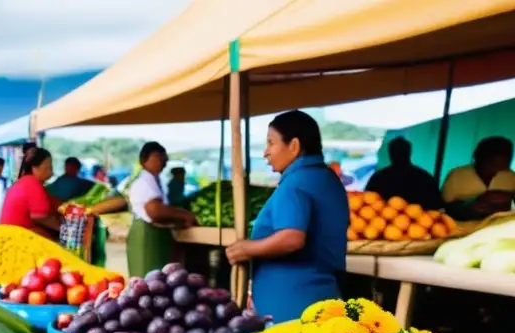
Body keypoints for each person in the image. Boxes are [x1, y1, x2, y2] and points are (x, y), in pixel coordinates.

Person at [226, 110, 349, 322]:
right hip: (323, 299)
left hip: (291, 308)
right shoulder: (328, 180)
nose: (266, 152)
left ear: (293, 146)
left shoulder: (294, 184)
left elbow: (292, 238)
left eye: (271, 143)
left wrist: (246, 248)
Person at [125, 141, 196, 276]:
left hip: (153, 235)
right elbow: (154, 210)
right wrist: (184, 214)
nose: (163, 161)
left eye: (164, 158)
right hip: (146, 236)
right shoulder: (145, 181)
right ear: (143, 160)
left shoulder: (155, 180)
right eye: (158, 157)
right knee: (147, 282)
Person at [441, 136, 515, 221]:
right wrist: (469, 205)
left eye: (502, 167)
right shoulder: (456, 176)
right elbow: (442, 209)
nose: (495, 172)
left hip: (500, 228)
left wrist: (508, 196)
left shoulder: (511, 176)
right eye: (491, 165)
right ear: (477, 157)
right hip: (464, 228)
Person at [0, 148, 62, 239]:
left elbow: (53, 203)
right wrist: (62, 229)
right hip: (17, 238)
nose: (51, 172)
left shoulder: (25, 181)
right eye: (48, 167)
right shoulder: (32, 184)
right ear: (34, 167)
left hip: (9, 235)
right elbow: (40, 216)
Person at [365, 137, 443, 210]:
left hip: (382, 222)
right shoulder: (425, 177)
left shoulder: (379, 178)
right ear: (410, 152)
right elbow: (436, 206)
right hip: (420, 222)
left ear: (390, 153)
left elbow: (366, 203)